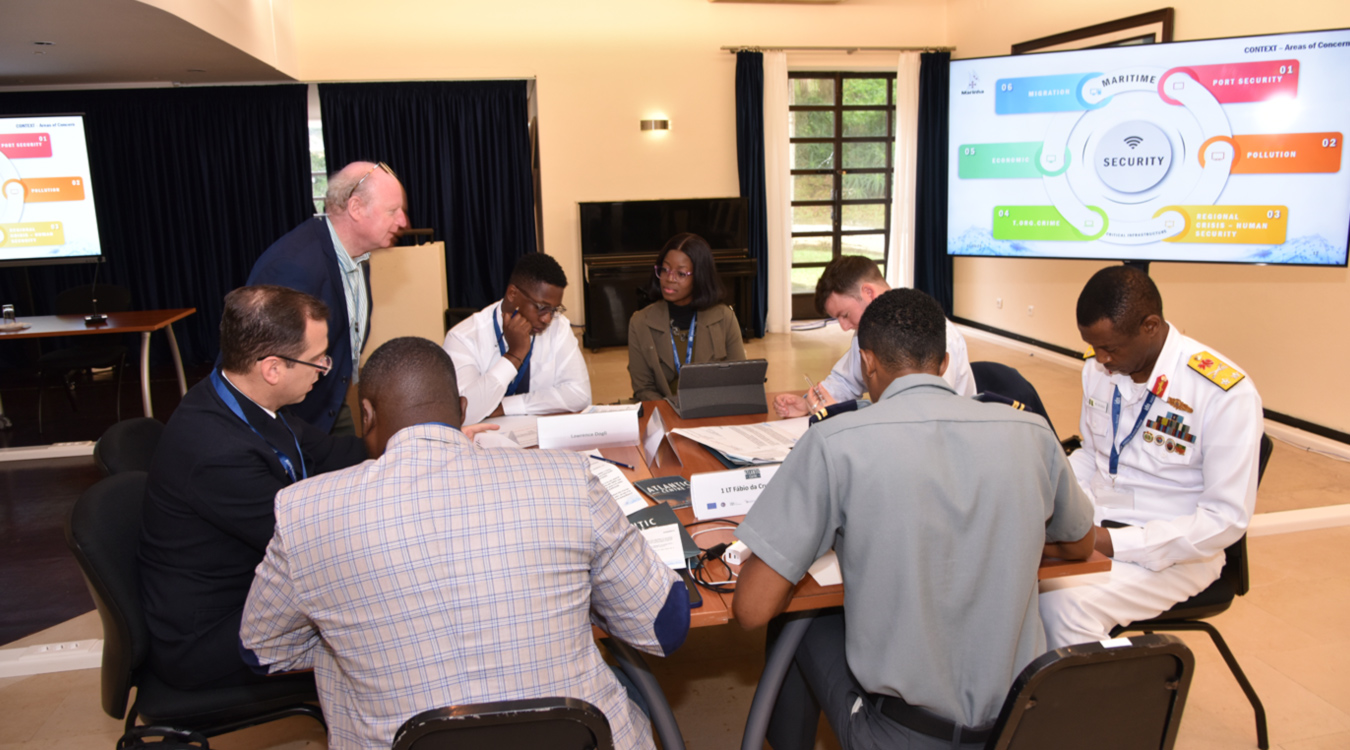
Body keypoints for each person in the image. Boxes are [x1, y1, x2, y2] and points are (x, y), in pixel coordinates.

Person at [241, 337, 689, 750]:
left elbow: (261, 651)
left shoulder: (305, 511)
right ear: (461, 410)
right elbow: (664, 628)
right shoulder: (565, 479)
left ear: (367, 415)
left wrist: (351, 630)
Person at [734, 288, 1094, 750]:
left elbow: (751, 608)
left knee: (798, 621)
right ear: (944, 363)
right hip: (1017, 727)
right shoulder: (1031, 431)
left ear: (867, 362)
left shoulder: (834, 441)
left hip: (900, 734)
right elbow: (1080, 544)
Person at [139, 285, 367, 690]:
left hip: (250, 590)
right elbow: (307, 548)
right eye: (318, 360)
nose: (325, 370)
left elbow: (333, 453)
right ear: (273, 368)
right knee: (380, 628)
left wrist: (428, 434)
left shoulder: (241, 399)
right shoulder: (215, 452)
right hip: (210, 634)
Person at [1039, 265, 1263, 649]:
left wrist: (1112, 542)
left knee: (1064, 605)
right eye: (1094, 347)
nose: (1101, 359)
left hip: (1173, 553)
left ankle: (1110, 703)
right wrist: (1052, 501)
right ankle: (1026, 698)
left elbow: (1225, 520)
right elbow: (1092, 457)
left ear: (1150, 326)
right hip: (1091, 530)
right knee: (1005, 581)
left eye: (1111, 348)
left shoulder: (1222, 393)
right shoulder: (1097, 371)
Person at [247, 161, 409, 434]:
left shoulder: (358, 254)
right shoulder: (295, 268)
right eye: (393, 211)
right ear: (356, 208)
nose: (403, 221)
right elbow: (264, 377)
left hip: (327, 402)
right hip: (290, 420)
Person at [774, 255, 975, 418]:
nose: (844, 327)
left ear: (868, 292)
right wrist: (810, 403)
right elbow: (846, 381)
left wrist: (844, 418)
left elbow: (924, 416)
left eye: (844, 315)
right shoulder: (868, 330)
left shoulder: (930, 331)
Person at [443, 252, 591, 425]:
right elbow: (465, 412)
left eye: (554, 310)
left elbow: (580, 394)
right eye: (542, 308)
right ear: (513, 294)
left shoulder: (558, 327)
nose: (547, 319)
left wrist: (504, 406)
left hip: (538, 439)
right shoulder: (463, 337)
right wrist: (515, 354)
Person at [628, 232, 747, 401]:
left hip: (713, 411)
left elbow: (739, 380)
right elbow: (643, 389)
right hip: (663, 414)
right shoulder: (640, 322)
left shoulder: (724, 318)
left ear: (700, 276)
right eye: (665, 269)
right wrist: (671, 413)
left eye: (681, 274)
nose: (669, 279)